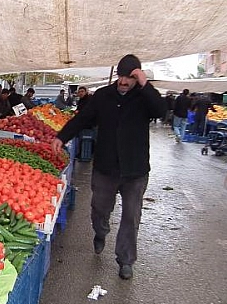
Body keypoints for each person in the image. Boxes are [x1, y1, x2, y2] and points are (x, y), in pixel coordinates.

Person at [51, 54, 166, 280]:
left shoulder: (144, 98)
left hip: (135, 170)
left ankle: (125, 260)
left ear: (137, 78)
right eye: (121, 77)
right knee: (99, 209)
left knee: (131, 217)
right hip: (106, 167)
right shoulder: (103, 96)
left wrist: (145, 84)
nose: (124, 82)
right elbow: (83, 119)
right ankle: (100, 232)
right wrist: (61, 137)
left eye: (130, 78)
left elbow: (161, 111)